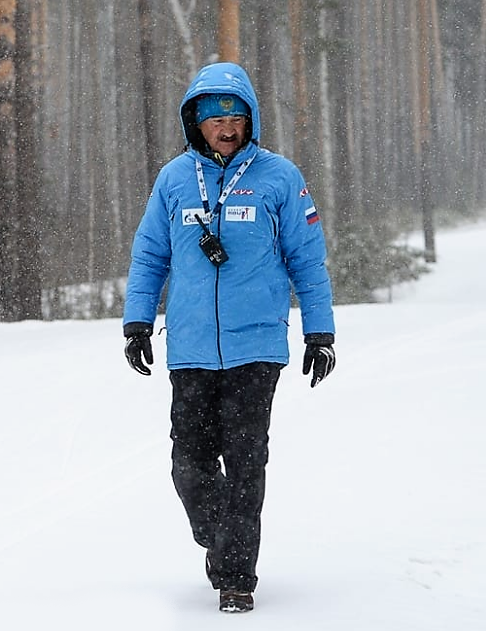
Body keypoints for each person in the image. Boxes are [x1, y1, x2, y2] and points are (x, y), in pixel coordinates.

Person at [122, 62, 336, 613]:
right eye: (213, 115)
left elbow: (307, 261)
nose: (224, 124)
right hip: (190, 348)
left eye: (234, 114)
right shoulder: (173, 180)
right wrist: (138, 322)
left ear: (249, 119)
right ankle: (221, 540)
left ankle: (237, 576)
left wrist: (319, 332)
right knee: (188, 467)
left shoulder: (280, 178)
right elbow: (150, 255)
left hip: (256, 348)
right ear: (194, 119)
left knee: (244, 461)